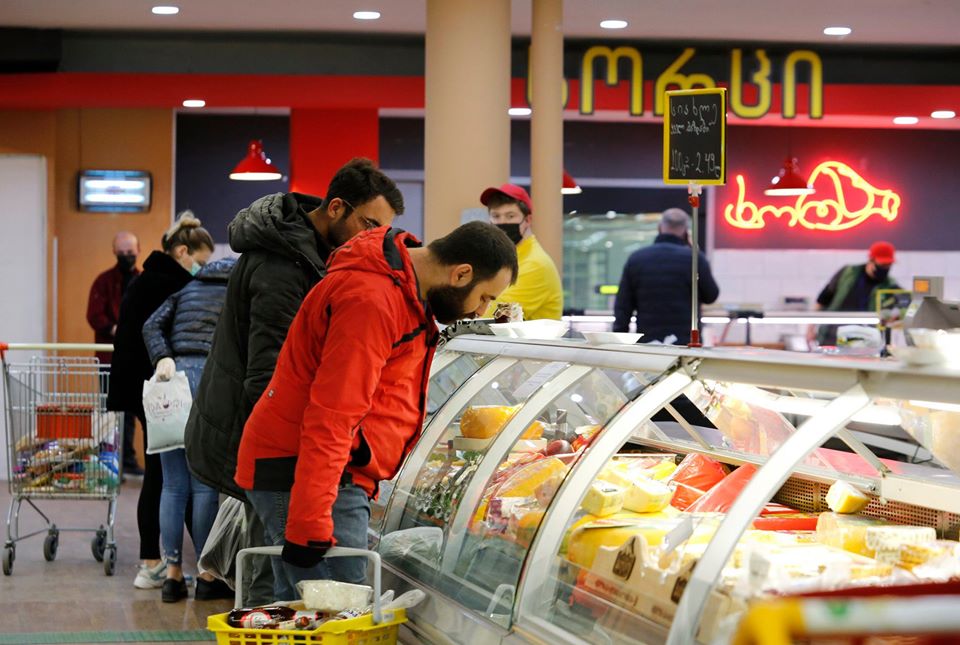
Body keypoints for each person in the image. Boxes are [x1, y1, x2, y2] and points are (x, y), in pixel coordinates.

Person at [236, 222, 517, 600]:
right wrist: (309, 524)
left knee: (301, 610)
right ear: (461, 273)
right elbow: (333, 415)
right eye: (484, 297)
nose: (480, 310)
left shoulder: (401, 291)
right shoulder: (372, 300)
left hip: (324, 471)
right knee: (335, 614)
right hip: (310, 474)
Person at [183, 158, 403, 605]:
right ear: (336, 208)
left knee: (270, 569)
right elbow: (268, 373)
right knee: (272, 579)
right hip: (262, 440)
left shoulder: (307, 253)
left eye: (383, 230)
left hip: (260, 438)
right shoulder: (284, 265)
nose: (374, 238)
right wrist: (299, 458)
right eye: (368, 224)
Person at [106, 212, 214, 590]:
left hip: (140, 387)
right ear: (182, 251)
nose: (201, 270)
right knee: (166, 479)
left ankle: (163, 563)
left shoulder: (146, 278)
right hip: (157, 389)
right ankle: (154, 562)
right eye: (199, 261)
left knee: (165, 477)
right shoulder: (171, 284)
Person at [142, 257, 237, 602]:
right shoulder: (235, 292)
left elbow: (151, 325)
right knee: (204, 486)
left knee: (172, 485)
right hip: (211, 380)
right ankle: (206, 574)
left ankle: (172, 575)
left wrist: (162, 357)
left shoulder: (187, 288)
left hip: (173, 380)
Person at [613, 208, 719, 345]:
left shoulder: (637, 258)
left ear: (659, 227)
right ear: (685, 231)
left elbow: (623, 304)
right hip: (685, 341)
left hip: (648, 340)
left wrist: (619, 339)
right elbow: (711, 296)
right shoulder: (695, 258)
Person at [87, 231, 142, 475]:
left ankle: (127, 459)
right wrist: (116, 329)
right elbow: (94, 315)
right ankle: (107, 460)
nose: (126, 256)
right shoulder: (103, 281)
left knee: (131, 411)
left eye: (130, 252)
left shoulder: (142, 280)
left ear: (138, 250)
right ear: (114, 252)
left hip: (135, 358)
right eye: (121, 252)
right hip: (108, 359)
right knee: (108, 410)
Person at [480, 183, 562, 320]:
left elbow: (491, 315)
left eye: (510, 216)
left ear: (528, 220)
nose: (502, 222)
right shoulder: (504, 260)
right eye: (496, 216)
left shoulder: (535, 264)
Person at [813, 241, 899, 346]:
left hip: (865, 341)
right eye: (882, 265)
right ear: (871, 260)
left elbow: (897, 312)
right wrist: (810, 328)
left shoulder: (890, 286)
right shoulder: (847, 273)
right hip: (832, 336)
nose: (885, 269)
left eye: (888, 265)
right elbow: (823, 299)